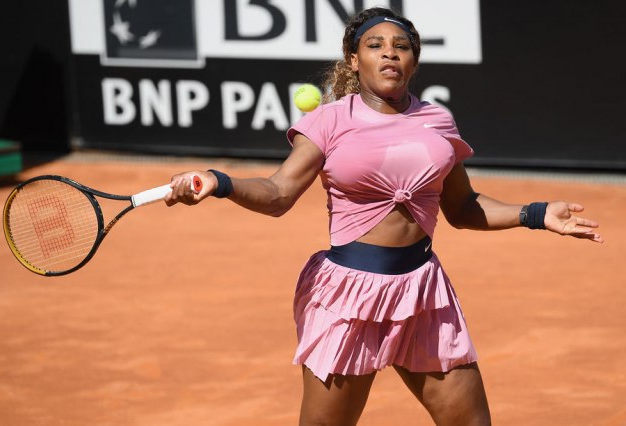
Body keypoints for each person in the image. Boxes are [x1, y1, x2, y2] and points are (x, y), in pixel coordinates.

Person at [164, 7, 603, 426]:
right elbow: (278, 193)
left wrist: (535, 213)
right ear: (354, 61)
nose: (389, 53)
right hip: (348, 298)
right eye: (375, 45)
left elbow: (462, 207)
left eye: (401, 46)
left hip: (424, 295)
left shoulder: (437, 120)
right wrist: (220, 181)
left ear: (413, 61)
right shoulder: (329, 121)